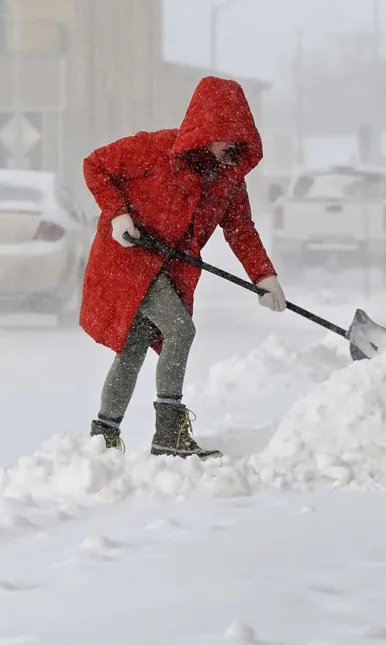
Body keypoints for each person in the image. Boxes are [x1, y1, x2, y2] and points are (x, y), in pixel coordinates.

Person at [79, 76, 286, 459]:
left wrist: (264, 276)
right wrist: (119, 215)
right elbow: (96, 165)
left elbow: (241, 230)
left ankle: (103, 437)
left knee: (135, 346)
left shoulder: (228, 179)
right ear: (205, 129)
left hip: (165, 269)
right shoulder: (156, 150)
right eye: (224, 135)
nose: (231, 146)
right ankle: (169, 434)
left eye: (239, 139)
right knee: (180, 329)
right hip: (129, 259)